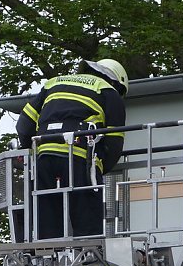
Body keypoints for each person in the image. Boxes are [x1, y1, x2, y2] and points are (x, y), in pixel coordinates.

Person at [16, 58, 128, 240]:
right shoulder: (109, 92)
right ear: (115, 82)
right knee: (88, 219)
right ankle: (93, 265)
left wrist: (30, 152)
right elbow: (114, 144)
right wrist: (99, 169)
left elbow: (23, 126)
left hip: (44, 159)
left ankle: (48, 261)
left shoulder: (53, 83)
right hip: (79, 160)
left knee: (47, 218)